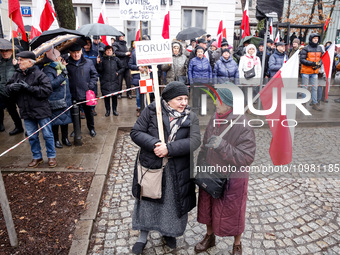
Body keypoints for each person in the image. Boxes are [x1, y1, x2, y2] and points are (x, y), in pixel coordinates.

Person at [130, 81, 201, 254]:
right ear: (168, 100)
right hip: (152, 166)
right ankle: (143, 234)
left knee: (171, 203)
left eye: (185, 98)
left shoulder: (191, 116)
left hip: (177, 169)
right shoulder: (152, 110)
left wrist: (169, 148)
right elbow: (136, 132)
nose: (184, 102)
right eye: (179, 99)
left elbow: (195, 141)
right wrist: (155, 144)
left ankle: (168, 232)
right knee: (147, 200)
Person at [194, 87, 256, 255]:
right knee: (208, 207)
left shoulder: (243, 124)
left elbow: (247, 157)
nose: (215, 103)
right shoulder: (215, 118)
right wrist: (200, 164)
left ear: (228, 105)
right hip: (211, 173)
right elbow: (205, 143)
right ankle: (209, 236)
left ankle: (237, 244)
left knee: (234, 212)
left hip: (232, 178)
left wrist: (222, 146)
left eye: (218, 100)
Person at [6, 51, 57, 168]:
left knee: (47, 135)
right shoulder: (16, 74)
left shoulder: (40, 75)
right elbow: (7, 88)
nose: (18, 62)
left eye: (21, 60)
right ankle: (37, 157)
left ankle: (51, 156)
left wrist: (29, 88)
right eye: (18, 60)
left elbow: (47, 91)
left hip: (41, 111)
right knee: (32, 136)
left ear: (30, 62)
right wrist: (11, 88)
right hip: (25, 110)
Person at [42, 48, 72, 149]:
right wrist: (63, 75)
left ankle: (65, 138)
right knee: (55, 122)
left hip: (65, 98)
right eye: (59, 56)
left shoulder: (61, 66)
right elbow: (51, 84)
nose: (61, 58)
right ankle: (56, 140)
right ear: (54, 58)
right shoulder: (48, 69)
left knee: (65, 120)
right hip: (55, 100)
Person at [66, 43, 98, 137]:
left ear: (81, 52)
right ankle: (76, 129)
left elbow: (94, 75)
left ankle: (91, 128)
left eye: (78, 52)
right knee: (74, 114)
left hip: (86, 93)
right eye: (74, 53)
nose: (76, 55)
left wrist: (90, 85)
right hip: (73, 93)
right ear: (70, 53)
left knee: (89, 113)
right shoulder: (67, 63)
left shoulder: (88, 62)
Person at [0, 48, 24, 135]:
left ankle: (30, 129)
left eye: (6, 51)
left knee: (23, 110)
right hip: (4, 91)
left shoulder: (17, 60)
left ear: (11, 50)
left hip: (16, 91)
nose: (4, 53)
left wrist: (17, 65)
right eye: (2, 51)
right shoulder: (1, 61)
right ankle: (18, 127)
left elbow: (23, 73)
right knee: (11, 111)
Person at [96, 45, 124, 117]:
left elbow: (122, 67)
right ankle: (108, 111)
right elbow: (99, 70)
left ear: (112, 51)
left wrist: (117, 73)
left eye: (110, 50)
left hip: (114, 81)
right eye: (107, 50)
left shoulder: (116, 59)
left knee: (114, 97)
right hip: (105, 81)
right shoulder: (102, 60)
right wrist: (98, 63)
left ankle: (114, 110)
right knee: (106, 98)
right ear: (105, 51)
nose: (109, 52)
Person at [300, 33, 324, 111]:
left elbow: (323, 58)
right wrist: (313, 64)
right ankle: (303, 102)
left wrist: (319, 65)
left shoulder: (320, 48)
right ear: (311, 39)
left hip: (314, 72)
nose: (316, 39)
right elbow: (302, 60)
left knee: (315, 88)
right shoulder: (305, 48)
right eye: (314, 38)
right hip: (306, 71)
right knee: (305, 87)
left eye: (317, 38)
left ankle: (314, 103)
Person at [238, 44, 262, 112]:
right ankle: (244, 106)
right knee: (245, 93)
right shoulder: (243, 58)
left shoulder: (257, 58)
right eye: (250, 49)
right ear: (247, 50)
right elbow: (240, 69)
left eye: (253, 49)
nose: (251, 51)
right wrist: (242, 79)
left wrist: (258, 80)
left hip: (253, 79)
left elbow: (259, 70)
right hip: (245, 79)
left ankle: (249, 108)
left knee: (251, 94)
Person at [113, 32, 132, 99]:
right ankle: (119, 94)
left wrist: (128, 55)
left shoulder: (124, 44)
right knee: (119, 81)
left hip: (126, 65)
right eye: (121, 36)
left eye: (123, 36)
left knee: (128, 81)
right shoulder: (115, 44)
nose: (122, 37)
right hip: (119, 65)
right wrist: (125, 54)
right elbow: (116, 52)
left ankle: (129, 93)